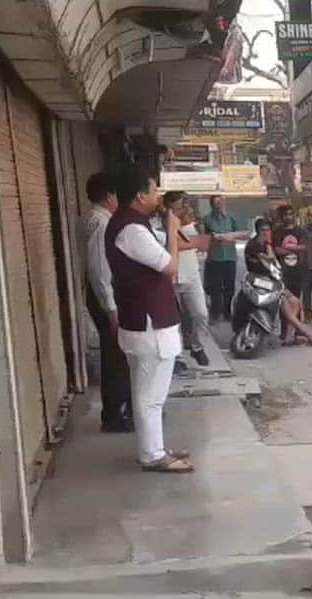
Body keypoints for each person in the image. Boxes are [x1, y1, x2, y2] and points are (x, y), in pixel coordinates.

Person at [105, 170, 193, 473]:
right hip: (147, 325)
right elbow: (168, 266)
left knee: (150, 395)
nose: (158, 197)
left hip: (149, 323)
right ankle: (152, 455)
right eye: (154, 191)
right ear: (140, 196)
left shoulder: (134, 225)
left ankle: (155, 448)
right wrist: (171, 230)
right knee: (149, 397)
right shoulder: (131, 230)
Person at [83, 172, 132, 433]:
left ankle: (117, 410)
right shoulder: (102, 224)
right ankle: (113, 416)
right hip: (106, 298)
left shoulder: (99, 219)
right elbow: (99, 269)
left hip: (104, 296)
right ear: (109, 196)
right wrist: (111, 309)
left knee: (116, 354)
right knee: (114, 356)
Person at [171, 201, 213, 366]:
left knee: (201, 313)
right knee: (174, 319)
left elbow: (203, 243)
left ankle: (197, 347)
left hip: (191, 275)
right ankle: (177, 355)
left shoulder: (194, 227)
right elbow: (171, 245)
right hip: (172, 277)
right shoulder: (164, 226)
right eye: (181, 206)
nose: (187, 209)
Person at [202, 195, 243, 323]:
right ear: (212, 205)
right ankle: (215, 313)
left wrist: (229, 237)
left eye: (222, 202)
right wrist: (216, 237)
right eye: (217, 203)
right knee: (215, 287)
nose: (220, 205)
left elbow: (239, 233)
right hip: (215, 257)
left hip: (230, 257)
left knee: (229, 287)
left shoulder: (231, 218)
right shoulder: (207, 220)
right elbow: (205, 237)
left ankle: (227, 311)